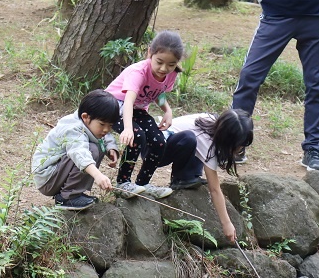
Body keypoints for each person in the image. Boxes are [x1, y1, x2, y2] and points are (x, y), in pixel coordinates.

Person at [232, 0, 319, 171]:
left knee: (317, 85)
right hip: (276, 13)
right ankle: (236, 141)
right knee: (249, 76)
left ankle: (313, 148)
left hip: (316, 14)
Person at [105, 30, 184, 199]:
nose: (164, 69)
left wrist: (168, 111)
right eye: (159, 62)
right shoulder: (138, 72)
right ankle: (123, 183)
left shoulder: (172, 74)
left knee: (159, 142)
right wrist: (128, 128)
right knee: (137, 136)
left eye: (171, 64)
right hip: (114, 105)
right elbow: (127, 101)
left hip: (138, 109)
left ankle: (143, 184)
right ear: (150, 53)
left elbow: (159, 93)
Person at [156, 109, 254, 242]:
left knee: (193, 143)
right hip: (156, 151)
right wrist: (226, 224)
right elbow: (214, 189)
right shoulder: (207, 141)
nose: (241, 148)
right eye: (239, 145)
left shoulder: (213, 125)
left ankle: (187, 176)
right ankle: (181, 179)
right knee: (190, 139)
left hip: (174, 143)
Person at [31, 89, 120, 210]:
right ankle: (67, 197)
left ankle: (73, 192)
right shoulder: (72, 129)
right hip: (48, 178)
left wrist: (110, 148)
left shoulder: (89, 123)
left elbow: (105, 136)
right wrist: (98, 175)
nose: (106, 129)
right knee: (92, 149)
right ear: (85, 117)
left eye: (110, 126)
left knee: (95, 147)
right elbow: (79, 153)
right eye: (102, 124)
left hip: (58, 173)